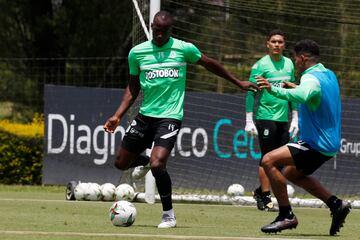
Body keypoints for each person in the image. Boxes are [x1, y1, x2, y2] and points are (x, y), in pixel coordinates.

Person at [103, 11, 257, 229]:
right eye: (156, 30)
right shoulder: (137, 53)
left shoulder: (184, 48)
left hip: (170, 117)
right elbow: (133, 86)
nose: (159, 35)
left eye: (164, 32)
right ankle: (145, 162)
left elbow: (209, 63)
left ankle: (168, 215)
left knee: (159, 164)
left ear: (170, 31)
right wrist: (117, 115)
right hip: (145, 116)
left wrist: (238, 82)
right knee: (121, 163)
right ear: (151, 27)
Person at [256, 39, 351, 235]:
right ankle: (336, 204)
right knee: (291, 173)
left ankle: (286, 215)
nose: (295, 62)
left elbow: (303, 94)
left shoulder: (310, 79)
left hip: (316, 143)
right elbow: (313, 94)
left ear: (302, 58)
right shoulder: (328, 74)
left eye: (295, 58)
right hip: (329, 143)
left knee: (268, 161)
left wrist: (272, 89)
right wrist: (295, 87)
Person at [245, 29, 298, 212]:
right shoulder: (260, 66)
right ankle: (266, 198)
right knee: (267, 157)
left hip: (284, 118)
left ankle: (260, 191)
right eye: (273, 41)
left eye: (280, 42)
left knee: (281, 160)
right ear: (267, 43)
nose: (277, 45)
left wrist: (295, 118)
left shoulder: (289, 64)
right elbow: (251, 92)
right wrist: (248, 119)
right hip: (265, 117)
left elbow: (292, 92)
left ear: (284, 45)